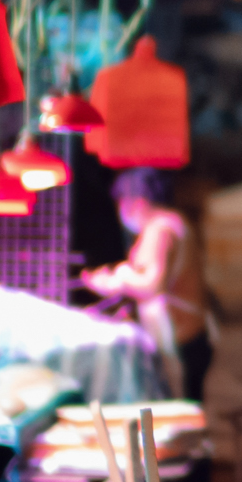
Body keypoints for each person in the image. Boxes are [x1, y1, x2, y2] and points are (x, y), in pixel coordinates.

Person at [80, 168, 210, 400]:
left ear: (136, 202)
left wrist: (118, 277)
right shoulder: (173, 223)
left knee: (177, 412)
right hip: (188, 335)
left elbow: (152, 284)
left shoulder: (160, 229)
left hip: (180, 339)